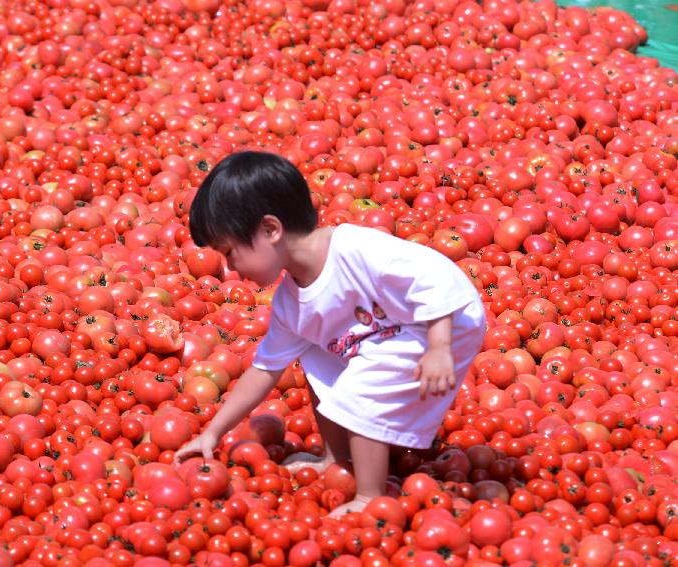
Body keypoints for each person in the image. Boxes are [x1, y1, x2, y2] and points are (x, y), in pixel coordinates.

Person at [174, 151, 486, 516]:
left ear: (271, 229)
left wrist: (439, 346)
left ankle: (371, 496)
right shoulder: (292, 303)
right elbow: (264, 370)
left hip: (443, 319)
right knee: (317, 357)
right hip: (389, 334)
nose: (229, 268)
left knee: (366, 381)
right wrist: (213, 432)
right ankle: (336, 459)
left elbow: (434, 277)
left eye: (231, 252)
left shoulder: (356, 249)